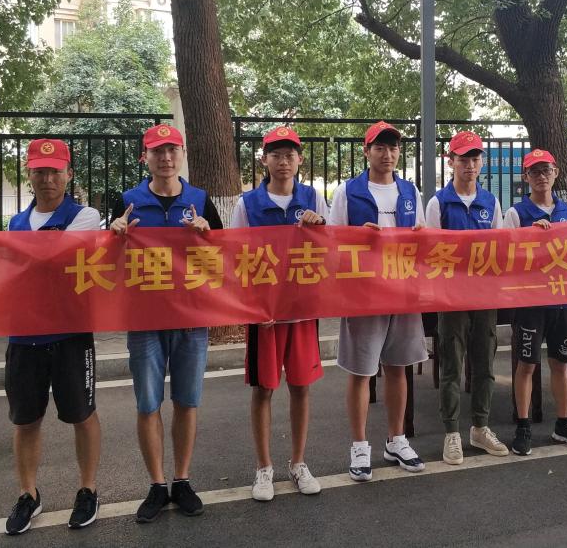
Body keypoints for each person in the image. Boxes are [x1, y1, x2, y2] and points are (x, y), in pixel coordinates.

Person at [0, 139, 103, 536]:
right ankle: (28, 494)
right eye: (40, 170)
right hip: (24, 336)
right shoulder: (15, 224)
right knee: (25, 419)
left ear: (69, 174)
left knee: (82, 414)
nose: (47, 178)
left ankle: (87, 489)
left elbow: (55, 256)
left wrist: (6, 247)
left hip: (71, 334)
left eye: (55, 171)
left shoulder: (85, 216)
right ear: (29, 173)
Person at [109, 124, 223, 522]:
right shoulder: (128, 201)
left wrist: (207, 234)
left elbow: (223, 258)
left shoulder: (200, 200)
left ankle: (182, 480)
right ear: (146, 157)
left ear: (182, 154)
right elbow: (106, 263)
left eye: (172, 150)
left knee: (187, 401)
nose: (166, 158)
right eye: (158, 151)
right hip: (144, 320)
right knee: (147, 403)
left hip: (191, 318)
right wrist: (115, 234)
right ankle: (157, 485)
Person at [328, 121, 428, 481]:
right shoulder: (348, 191)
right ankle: (359, 445)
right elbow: (332, 240)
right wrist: (357, 236)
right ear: (366, 151)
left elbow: (421, 239)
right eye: (380, 147)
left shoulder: (409, 191)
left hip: (402, 292)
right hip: (364, 294)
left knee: (398, 368)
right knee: (361, 371)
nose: (387, 154)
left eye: (393, 147)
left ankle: (396, 439)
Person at [231, 126, 326, 501]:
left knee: (301, 387)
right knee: (264, 389)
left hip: (302, 312)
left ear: (300, 159)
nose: (283, 161)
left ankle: (298, 463)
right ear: (264, 159)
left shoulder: (313, 199)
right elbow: (236, 258)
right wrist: (253, 306)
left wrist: (319, 228)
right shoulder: (247, 204)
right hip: (265, 316)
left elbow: (331, 250)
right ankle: (264, 468)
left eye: (289, 154)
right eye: (276, 154)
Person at [426, 131, 509, 464]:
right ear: (451, 162)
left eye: (475, 159)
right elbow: (429, 253)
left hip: (484, 296)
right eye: (463, 159)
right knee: (451, 365)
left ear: (481, 162)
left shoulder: (491, 202)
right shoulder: (438, 203)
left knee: (485, 363)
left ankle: (480, 427)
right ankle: (451, 433)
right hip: (451, 298)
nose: (470, 165)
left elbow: (501, 248)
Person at [504, 148, 567, 455]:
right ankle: (523, 425)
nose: (541, 176)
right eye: (534, 171)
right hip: (530, 302)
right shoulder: (516, 214)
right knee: (526, 365)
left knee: (561, 363)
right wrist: (529, 237)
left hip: (562, 300)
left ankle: (563, 423)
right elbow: (504, 255)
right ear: (526, 177)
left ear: (556, 173)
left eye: (546, 170)